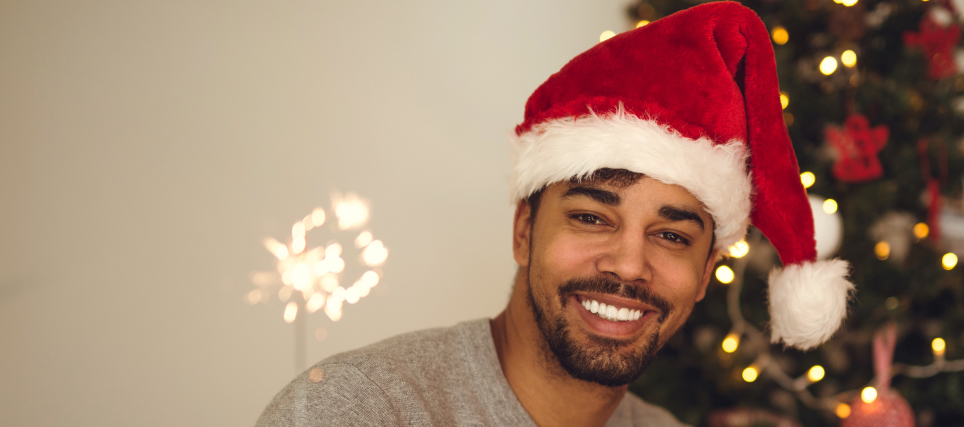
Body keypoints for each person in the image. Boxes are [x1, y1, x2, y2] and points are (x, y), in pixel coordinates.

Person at [256, 3, 854, 426]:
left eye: (671, 234)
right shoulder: (356, 410)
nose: (628, 265)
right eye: (592, 217)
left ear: (704, 276)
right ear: (523, 230)